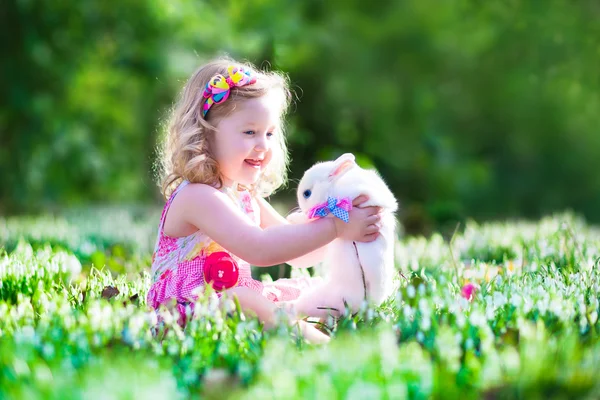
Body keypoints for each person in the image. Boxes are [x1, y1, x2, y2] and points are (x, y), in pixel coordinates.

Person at [147, 56, 381, 343]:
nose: (263, 146)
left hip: (234, 304)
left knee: (316, 290)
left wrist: (343, 221)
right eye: (249, 132)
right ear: (204, 135)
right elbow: (259, 249)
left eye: (269, 133)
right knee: (243, 300)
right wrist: (336, 226)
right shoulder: (196, 197)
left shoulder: (244, 197)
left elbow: (299, 254)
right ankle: (323, 346)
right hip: (184, 313)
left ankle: (359, 322)